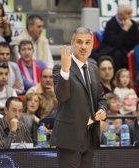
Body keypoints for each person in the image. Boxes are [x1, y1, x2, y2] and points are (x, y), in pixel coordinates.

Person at [50, 27, 107, 168]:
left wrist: (103, 109)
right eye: (79, 42)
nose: (83, 46)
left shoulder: (94, 68)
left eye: (88, 42)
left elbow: (101, 98)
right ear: (72, 43)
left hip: (90, 135)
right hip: (69, 137)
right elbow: (62, 97)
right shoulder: (60, 68)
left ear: (92, 45)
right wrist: (65, 71)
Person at [99, 4, 138, 71]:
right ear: (120, 15)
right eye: (128, 14)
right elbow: (115, 44)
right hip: (111, 50)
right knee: (118, 54)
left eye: (131, 13)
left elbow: (136, 41)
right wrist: (125, 30)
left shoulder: (133, 24)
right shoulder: (111, 24)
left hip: (127, 50)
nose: (130, 16)